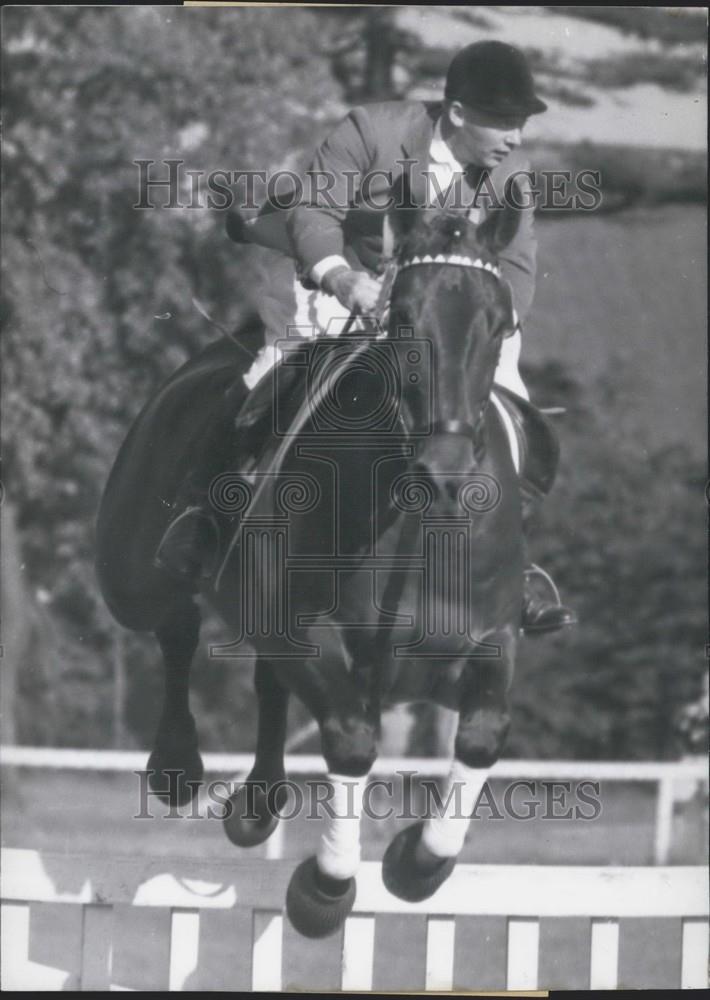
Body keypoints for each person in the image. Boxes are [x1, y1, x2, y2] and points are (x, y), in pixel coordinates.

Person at [155, 40, 577, 635]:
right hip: (341, 275)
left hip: (450, 308)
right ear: (457, 112)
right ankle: (204, 518)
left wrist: (480, 330)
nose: (514, 138)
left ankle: (517, 563)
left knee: (516, 407)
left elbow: (517, 269)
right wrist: (344, 279)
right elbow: (313, 212)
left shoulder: (513, 174)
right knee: (269, 376)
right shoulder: (372, 131)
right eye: (504, 122)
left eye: (521, 124)